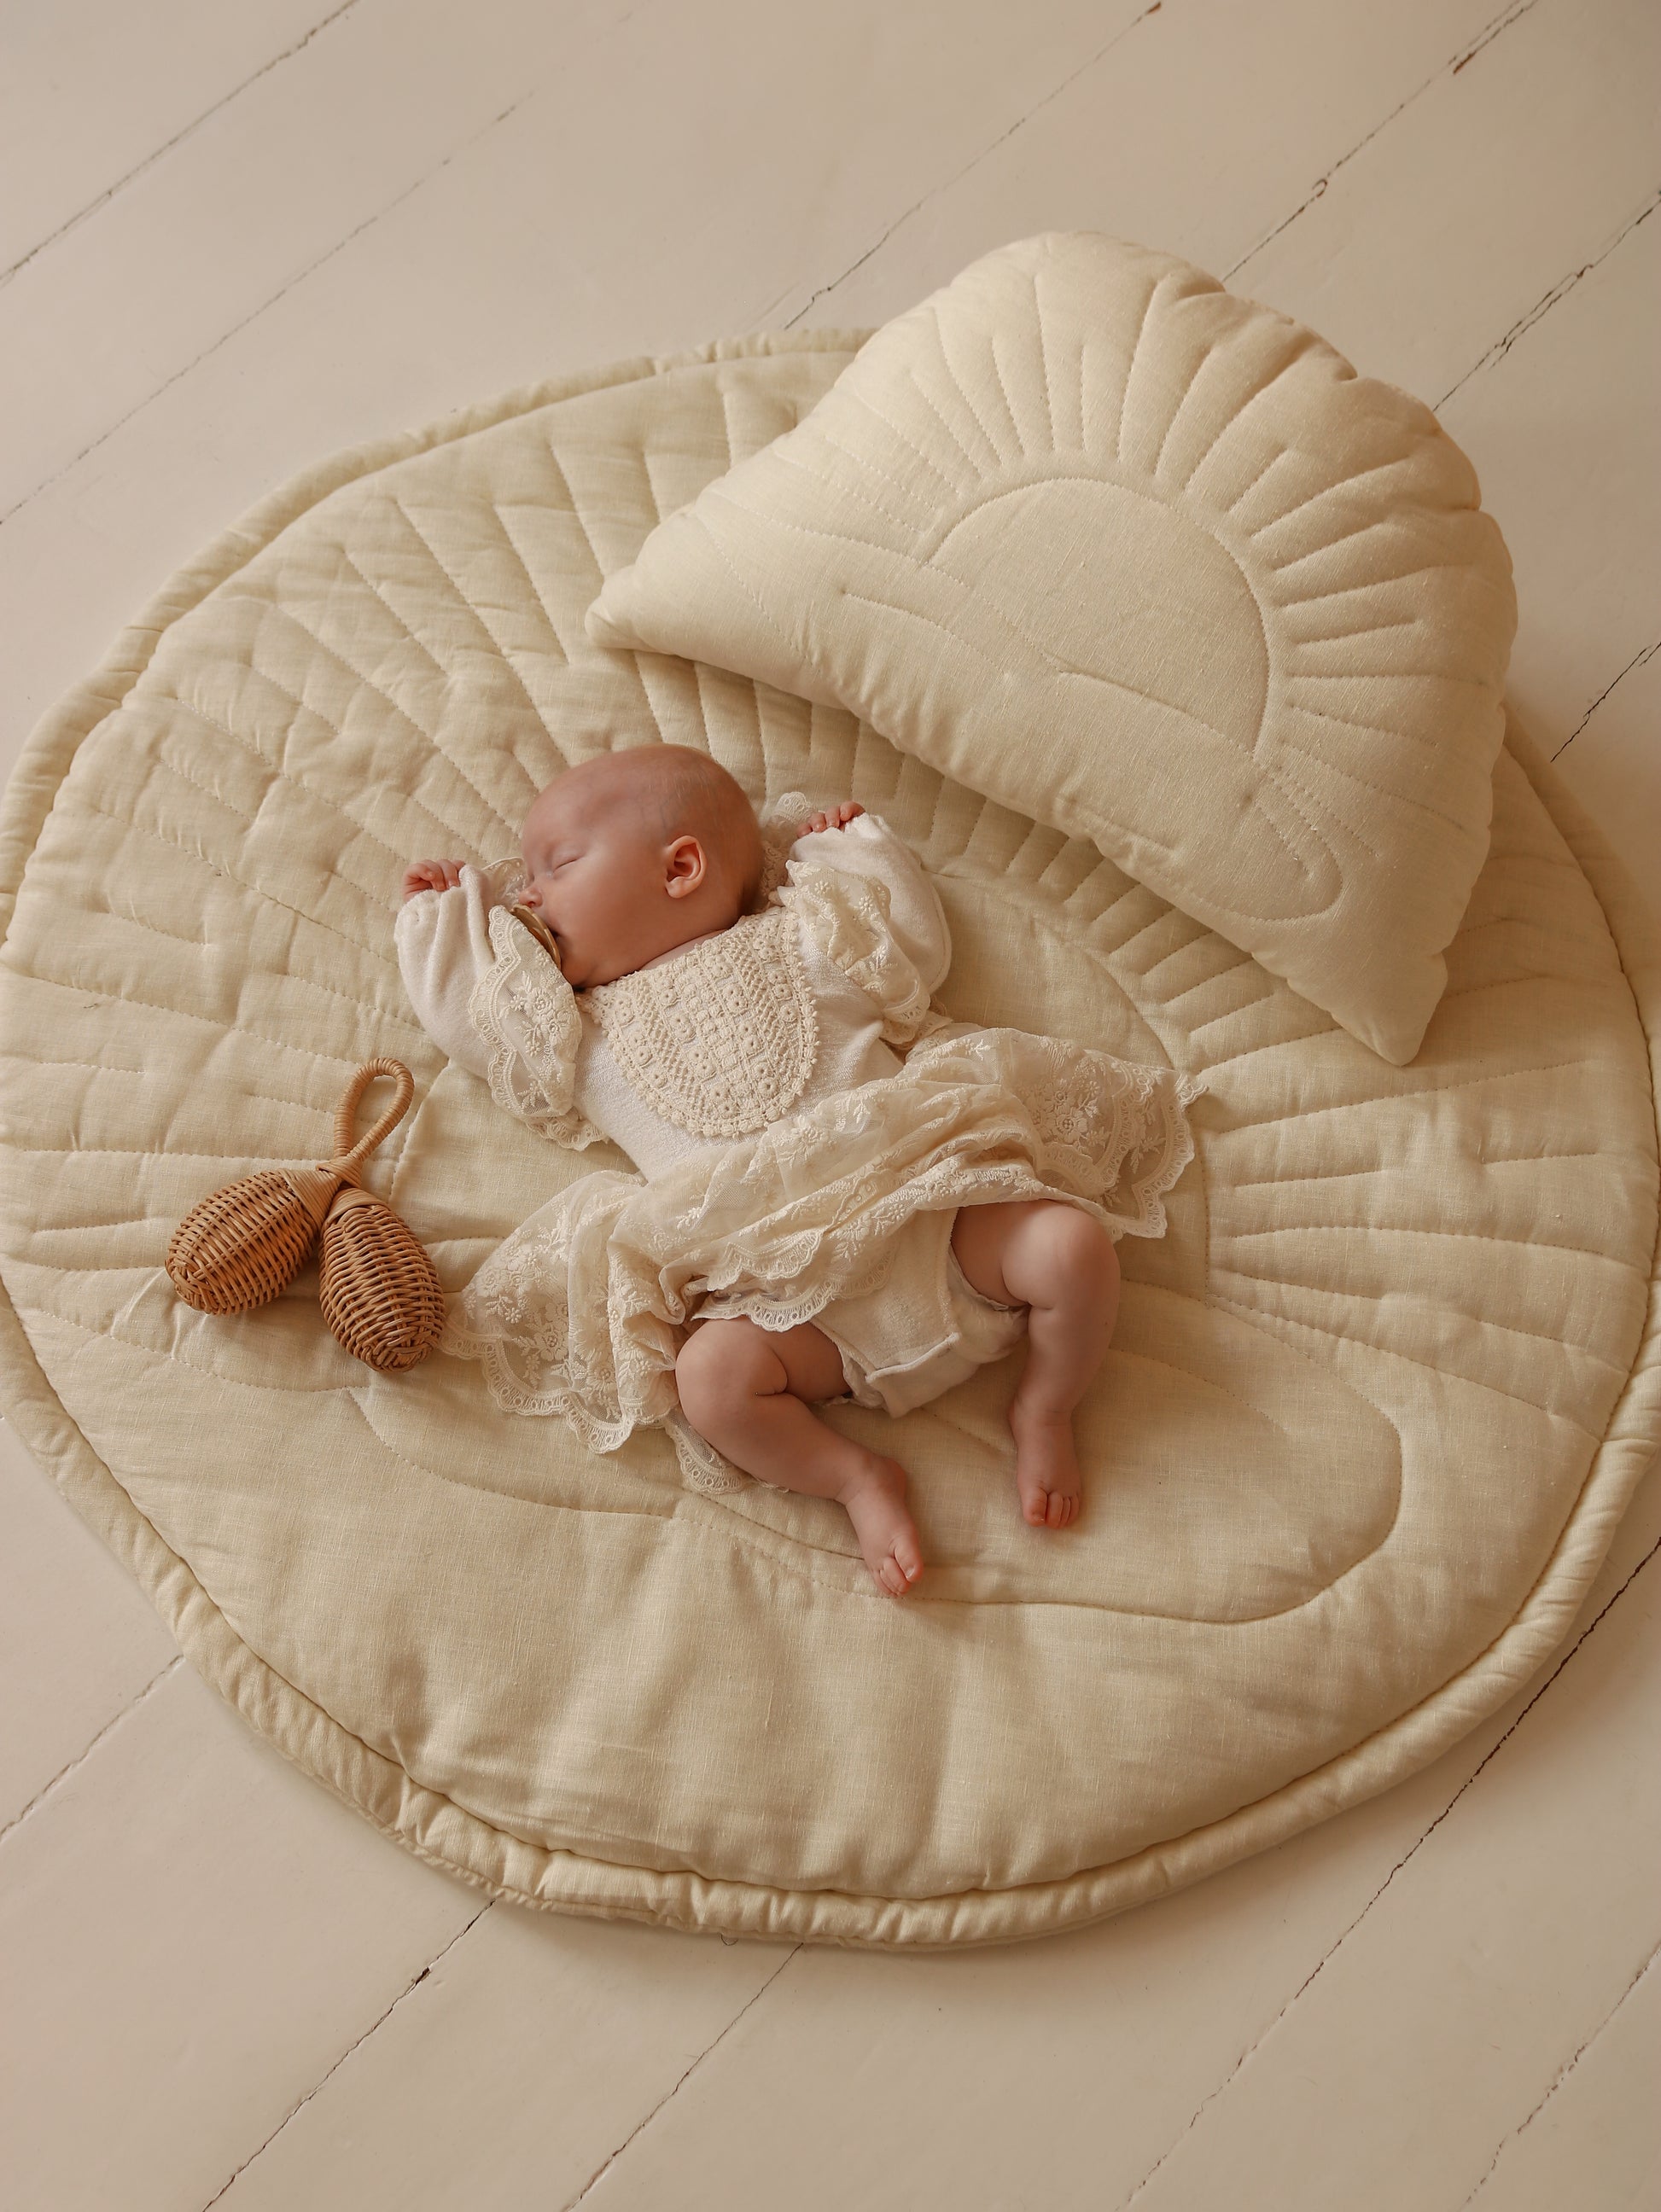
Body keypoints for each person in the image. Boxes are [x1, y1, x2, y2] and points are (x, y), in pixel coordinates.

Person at [398, 743, 1202, 1597]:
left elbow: (910, 949)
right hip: (791, 1316)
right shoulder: (574, 1031)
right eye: (526, 880)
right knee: (710, 1383)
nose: (527, 896)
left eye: (556, 866)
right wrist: (443, 921)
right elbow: (480, 1024)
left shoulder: (807, 934)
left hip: (934, 1224)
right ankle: (855, 1479)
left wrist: (854, 852)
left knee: (1072, 1248)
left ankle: (1045, 1406)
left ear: (679, 868)